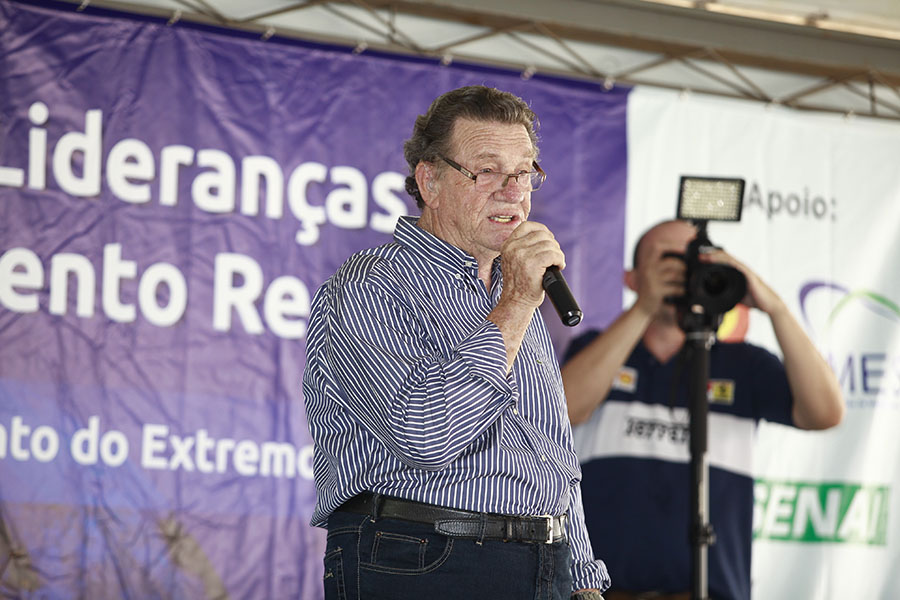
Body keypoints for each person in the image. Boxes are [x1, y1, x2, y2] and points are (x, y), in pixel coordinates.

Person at [302, 85, 609, 600]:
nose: (512, 191)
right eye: (487, 171)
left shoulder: (514, 293)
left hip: (545, 566)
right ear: (430, 181)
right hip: (423, 559)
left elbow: (551, 453)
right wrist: (516, 305)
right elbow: (426, 435)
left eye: (524, 172)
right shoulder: (371, 285)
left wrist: (582, 581)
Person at [561, 219, 844, 600]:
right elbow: (563, 410)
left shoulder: (744, 364)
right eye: (668, 258)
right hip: (602, 591)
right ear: (632, 278)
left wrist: (774, 307)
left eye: (696, 261)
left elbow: (825, 413)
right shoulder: (595, 349)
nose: (683, 270)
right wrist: (644, 308)